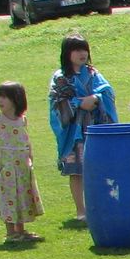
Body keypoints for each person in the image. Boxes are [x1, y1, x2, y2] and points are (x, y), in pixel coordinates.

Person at [47, 33, 116, 221]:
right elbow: (56, 104)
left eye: (84, 49)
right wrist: (79, 103)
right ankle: (81, 210)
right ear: (67, 53)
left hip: (96, 129)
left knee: (99, 169)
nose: (82, 53)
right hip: (74, 133)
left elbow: (108, 92)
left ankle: (101, 206)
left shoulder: (93, 74)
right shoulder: (60, 77)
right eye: (77, 50)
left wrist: (96, 99)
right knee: (77, 170)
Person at [0, 82, 44, 243]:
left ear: (16, 99)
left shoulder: (22, 120)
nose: (0, 100)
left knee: (22, 197)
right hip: (6, 167)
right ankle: (11, 233)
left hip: (22, 168)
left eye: (4, 97)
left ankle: (21, 230)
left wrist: (30, 157)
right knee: (8, 197)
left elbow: (26, 141)